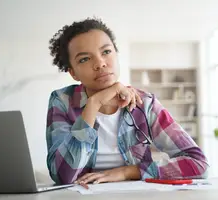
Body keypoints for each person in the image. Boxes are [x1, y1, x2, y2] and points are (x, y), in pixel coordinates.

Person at [46, 17, 209, 185]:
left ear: (116, 55)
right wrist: (93, 104)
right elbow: (63, 175)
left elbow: (199, 164)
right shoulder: (62, 101)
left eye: (106, 52)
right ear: (73, 73)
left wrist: (128, 172)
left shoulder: (144, 103)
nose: (100, 63)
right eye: (85, 59)